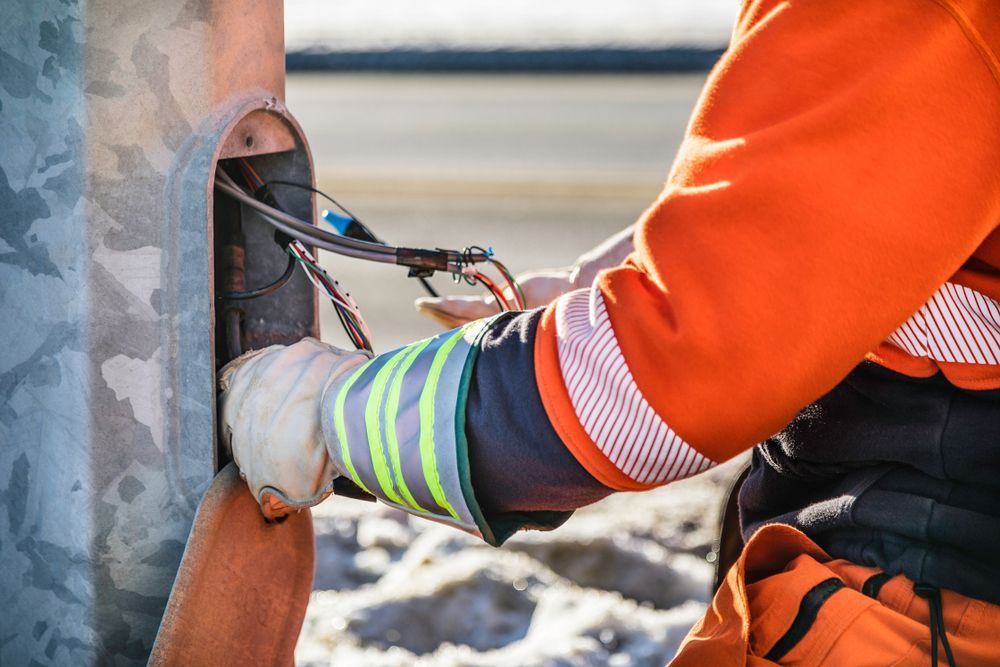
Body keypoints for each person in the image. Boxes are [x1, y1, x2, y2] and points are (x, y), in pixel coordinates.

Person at [218, 1, 1000, 664]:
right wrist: (639, 265)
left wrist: (324, 415)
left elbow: (658, 378)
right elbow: (873, 198)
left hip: (932, 607)